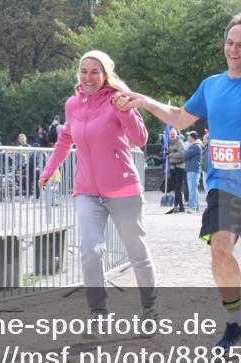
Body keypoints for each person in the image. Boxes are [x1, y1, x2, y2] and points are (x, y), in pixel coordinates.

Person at [117, 12, 241, 353]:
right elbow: (181, 118)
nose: (233, 50)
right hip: (223, 182)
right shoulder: (211, 85)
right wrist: (146, 101)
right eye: (229, 43)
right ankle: (235, 323)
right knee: (219, 248)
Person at [39, 50, 157, 323]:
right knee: (91, 250)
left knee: (136, 251)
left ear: (106, 75)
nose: (88, 77)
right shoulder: (73, 104)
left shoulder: (118, 100)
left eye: (95, 72)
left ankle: (150, 308)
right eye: (84, 71)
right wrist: (49, 170)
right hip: (87, 191)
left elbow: (139, 139)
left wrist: (126, 110)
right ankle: (98, 313)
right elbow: (65, 138)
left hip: (123, 189)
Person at [165, 127, 187, 214]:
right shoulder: (168, 143)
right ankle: (181, 206)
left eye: (173, 134)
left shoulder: (179, 142)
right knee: (176, 187)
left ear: (176, 134)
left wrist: (171, 155)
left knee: (178, 187)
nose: (172, 136)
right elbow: (167, 152)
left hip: (180, 167)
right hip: (172, 167)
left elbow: (183, 153)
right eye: (171, 134)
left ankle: (176, 205)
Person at [184, 131, 204, 212]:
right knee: (194, 189)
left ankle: (193, 207)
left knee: (192, 189)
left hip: (193, 170)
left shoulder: (195, 146)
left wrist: (185, 150)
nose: (187, 137)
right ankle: (196, 207)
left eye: (188, 136)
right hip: (193, 170)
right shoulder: (195, 146)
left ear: (192, 137)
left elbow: (185, 156)